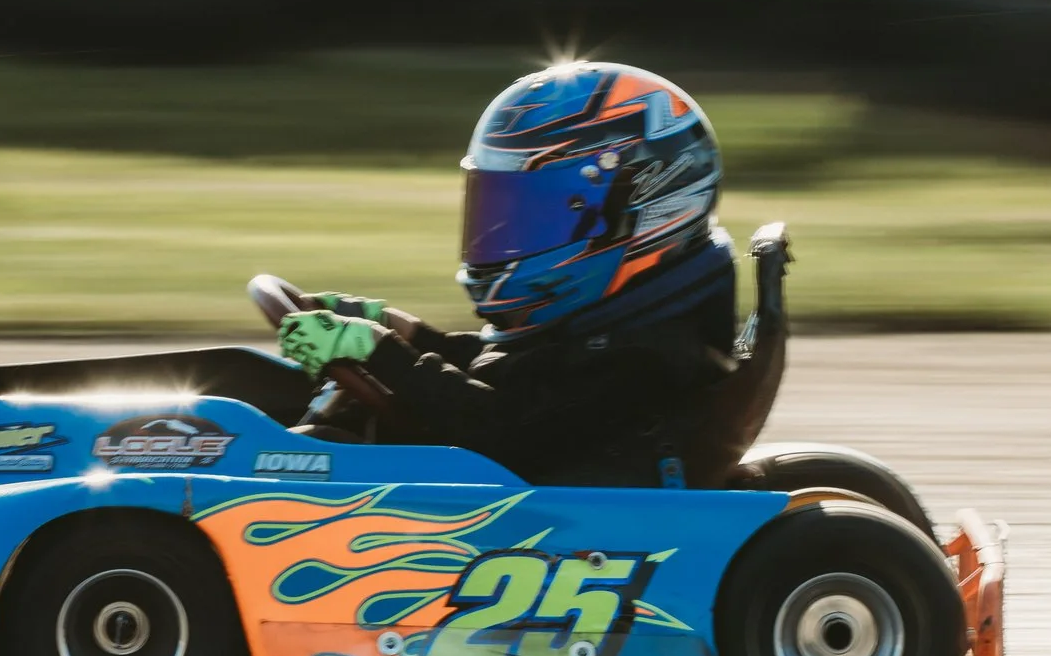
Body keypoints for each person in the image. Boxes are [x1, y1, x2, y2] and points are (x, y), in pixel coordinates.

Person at [275, 61, 738, 487]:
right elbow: (516, 373)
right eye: (501, 210)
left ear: (642, 212)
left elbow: (500, 430)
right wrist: (409, 334)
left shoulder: (647, 358)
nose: (504, 232)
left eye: (536, 216)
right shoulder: (616, 325)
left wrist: (379, 351)